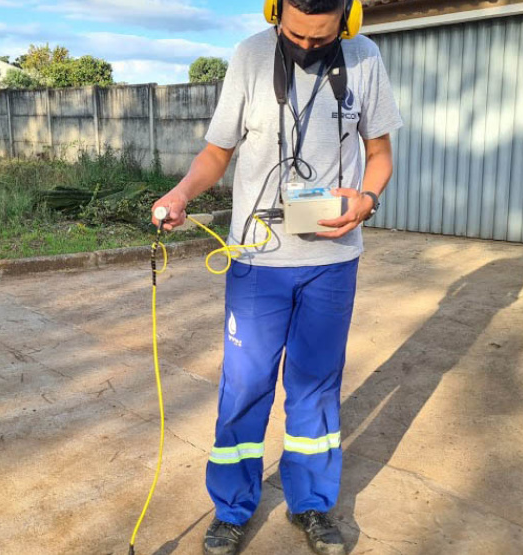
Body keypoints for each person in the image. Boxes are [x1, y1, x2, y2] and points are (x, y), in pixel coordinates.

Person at [150, 1, 401, 553]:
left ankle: (311, 505)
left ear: (348, 18)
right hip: (257, 261)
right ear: (274, 13)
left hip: (333, 265)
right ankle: (233, 508)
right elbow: (217, 154)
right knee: (245, 386)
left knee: (315, 388)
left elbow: (379, 154)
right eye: (294, 35)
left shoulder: (365, 58)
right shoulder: (249, 56)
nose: (307, 47)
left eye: (322, 38)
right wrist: (182, 193)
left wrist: (366, 200)